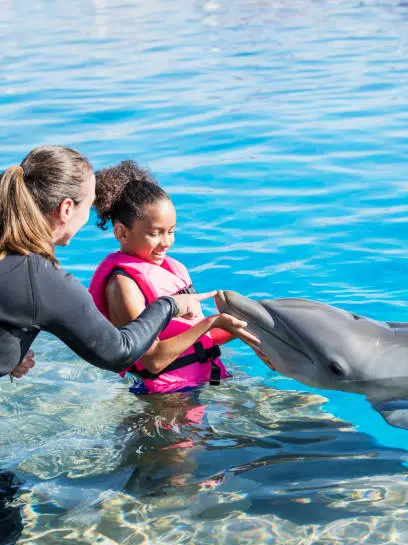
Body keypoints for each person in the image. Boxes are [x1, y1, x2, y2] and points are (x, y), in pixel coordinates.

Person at [0, 146, 251, 379]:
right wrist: (170, 305)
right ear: (67, 209)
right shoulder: (40, 280)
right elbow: (120, 353)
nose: (88, 217)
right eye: (88, 206)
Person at [89, 161, 258, 394]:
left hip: (205, 381)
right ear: (122, 232)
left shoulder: (170, 269)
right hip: (166, 403)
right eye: (154, 233)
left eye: (171, 231)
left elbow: (198, 341)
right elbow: (152, 360)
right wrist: (211, 321)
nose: (166, 242)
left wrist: (245, 328)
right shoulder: (123, 285)